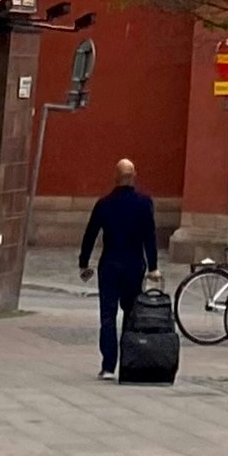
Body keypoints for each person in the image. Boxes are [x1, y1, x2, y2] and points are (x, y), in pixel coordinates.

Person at [80, 158, 160, 377]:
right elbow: (149, 237)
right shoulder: (144, 203)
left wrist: (83, 263)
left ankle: (108, 366)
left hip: (110, 265)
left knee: (108, 315)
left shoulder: (104, 203)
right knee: (131, 314)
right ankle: (128, 362)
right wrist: (153, 266)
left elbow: (90, 235)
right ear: (134, 177)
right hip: (134, 265)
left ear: (115, 177)